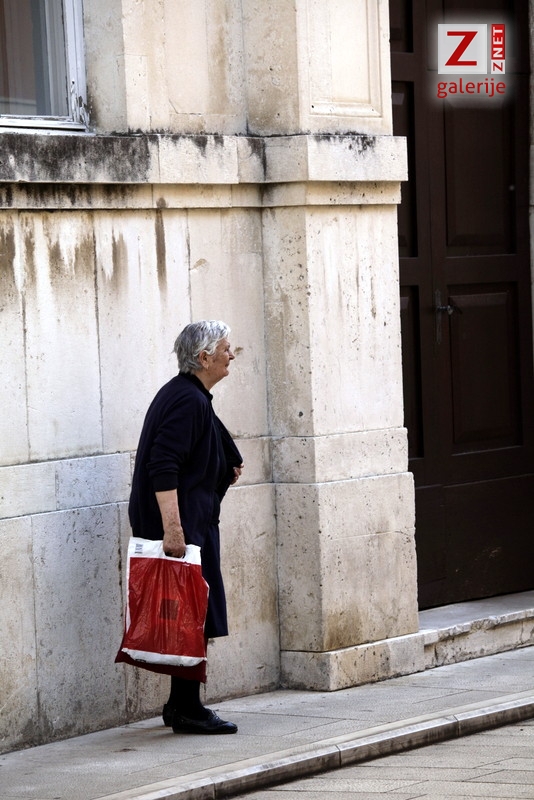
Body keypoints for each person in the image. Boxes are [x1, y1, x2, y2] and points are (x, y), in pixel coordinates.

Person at [127, 320, 243, 734]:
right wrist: (173, 530)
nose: (232, 355)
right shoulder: (187, 400)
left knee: (194, 610)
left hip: (193, 521)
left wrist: (226, 463)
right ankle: (188, 709)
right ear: (204, 357)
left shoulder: (190, 395)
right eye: (226, 349)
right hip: (183, 526)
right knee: (193, 612)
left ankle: (180, 705)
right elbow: (163, 465)